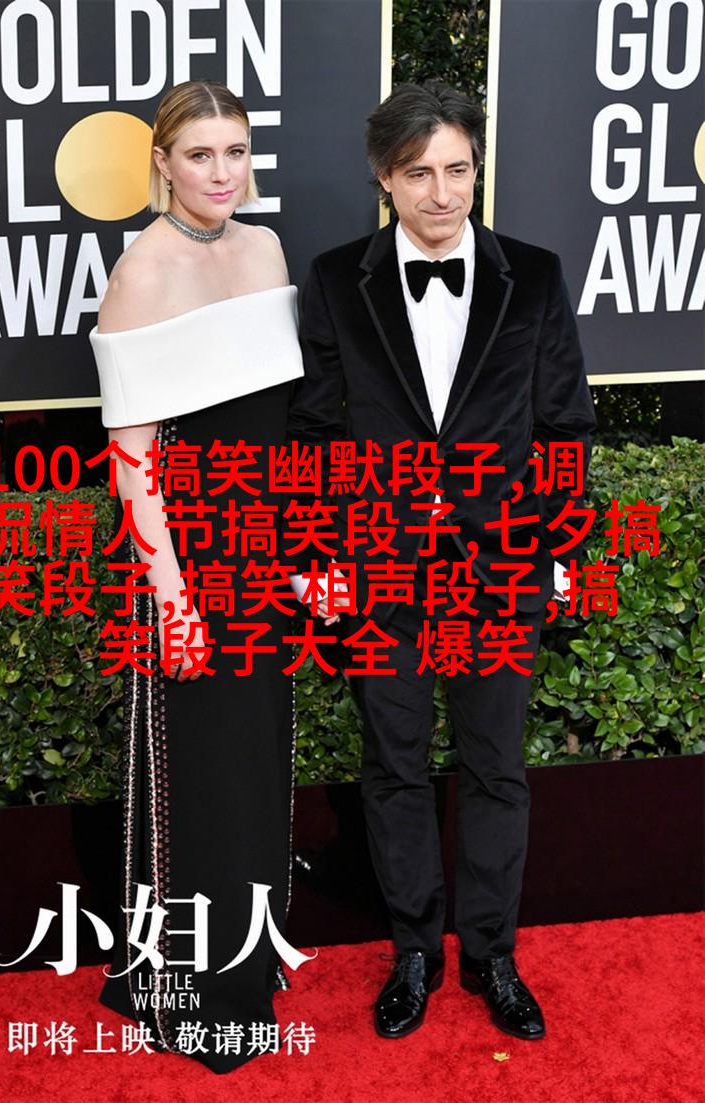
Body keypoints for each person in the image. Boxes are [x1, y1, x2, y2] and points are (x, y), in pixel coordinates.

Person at [288, 81, 596, 1042]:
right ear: (383, 178)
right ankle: (414, 950)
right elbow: (313, 431)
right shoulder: (335, 279)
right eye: (418, 172)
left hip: (499, 566)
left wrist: (553, 545)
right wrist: (315, 553)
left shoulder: (533, 275)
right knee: (393, 763)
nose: (442, 192)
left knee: (496, 765)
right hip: (380, 566)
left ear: (477, 169)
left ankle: (493, 953)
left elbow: (564, 425)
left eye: (457, 169)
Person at [89, 81, 304, 1074]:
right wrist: (172, 596)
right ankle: (185, 989)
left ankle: (247, 962)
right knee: (195, 771)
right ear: (164, 164)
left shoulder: (265, 251)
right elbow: (132, 456)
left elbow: (285, 422)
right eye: (201, 154)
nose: (222, 172)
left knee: (256, 758)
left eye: (236, 152)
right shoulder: (141, 270)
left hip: (266, 541)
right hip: (188, 551)